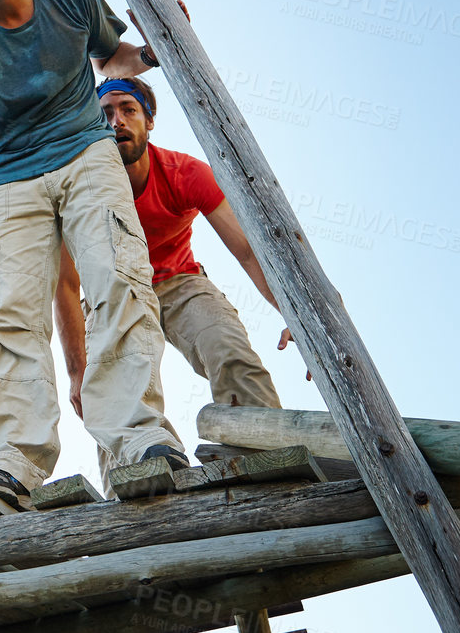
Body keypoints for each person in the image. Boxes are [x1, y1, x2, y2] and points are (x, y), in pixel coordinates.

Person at [0, 0, 187, 507]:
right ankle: (11, 461)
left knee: (118, 279)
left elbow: (112, 61)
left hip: (86, 152)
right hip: (9, 176)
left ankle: (141, 438)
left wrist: (149, 51)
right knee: (10, 310)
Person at [85, 75, 299, 416]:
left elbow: (246, 250)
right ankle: (133, 464)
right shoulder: (81, 189)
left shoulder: (185, 173)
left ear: (150, 120)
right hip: (115, 289)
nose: (117, 121)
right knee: (114, 395)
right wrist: (74, 367)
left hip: (178, 280)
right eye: (106, 114)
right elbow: (64, 279)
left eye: (128, 110)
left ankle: (267, 447)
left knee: (228, 350)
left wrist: (295, 316)